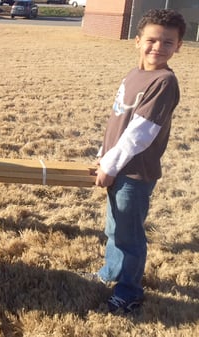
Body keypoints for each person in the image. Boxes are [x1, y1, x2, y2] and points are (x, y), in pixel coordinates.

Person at [93, 9, 186, 314]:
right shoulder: (135, 75)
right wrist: (103, 156)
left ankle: (129, 291)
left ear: (179, 46)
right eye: (151, 40)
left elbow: (140, 134)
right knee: (114, 228)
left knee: (129, 235)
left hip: (134, 174)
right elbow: (117, 122)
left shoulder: (164, 82)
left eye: (167, 42)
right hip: (118, 166)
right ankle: (111, 273)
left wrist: (111, 165)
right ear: (137, 41)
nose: (158, 47)